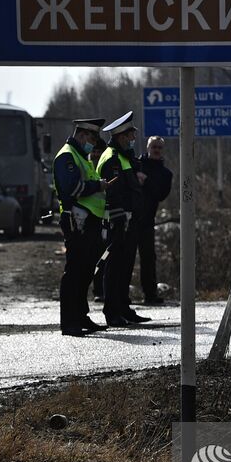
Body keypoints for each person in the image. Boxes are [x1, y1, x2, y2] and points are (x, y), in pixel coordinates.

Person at [53, 118, 108, 336]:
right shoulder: (67, 155)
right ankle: (69, 322)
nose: (93, 145)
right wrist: (98, 185)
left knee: (85, 271)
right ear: (83, 135)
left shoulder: (80, 156)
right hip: (76, 221)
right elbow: (72, 188)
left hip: (88, 220)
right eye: (92, 139)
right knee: (74, 272)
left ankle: (80, 315)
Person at [97, 113, 150, 326]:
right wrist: (122, 218)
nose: (133, 139)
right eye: (130, 135)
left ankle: (123, 308)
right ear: (120, 136)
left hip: (129, 220)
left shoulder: (124, 157)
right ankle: (112, 312)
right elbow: (113, 193)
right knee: (115, 267)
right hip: (118, 221)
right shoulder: (112, 158)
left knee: (126, 266)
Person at [134, 135, 173, 305]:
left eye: (159, 147)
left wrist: (147, 181)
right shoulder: (136, 165)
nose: (156, 150)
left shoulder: (165, 174)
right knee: (123, 258)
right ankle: (118, 296)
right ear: (148, 148)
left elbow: (160, 194)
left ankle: (150, 295)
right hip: (130, 218)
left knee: (149, 258)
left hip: (148, 221)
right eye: (153, 147)